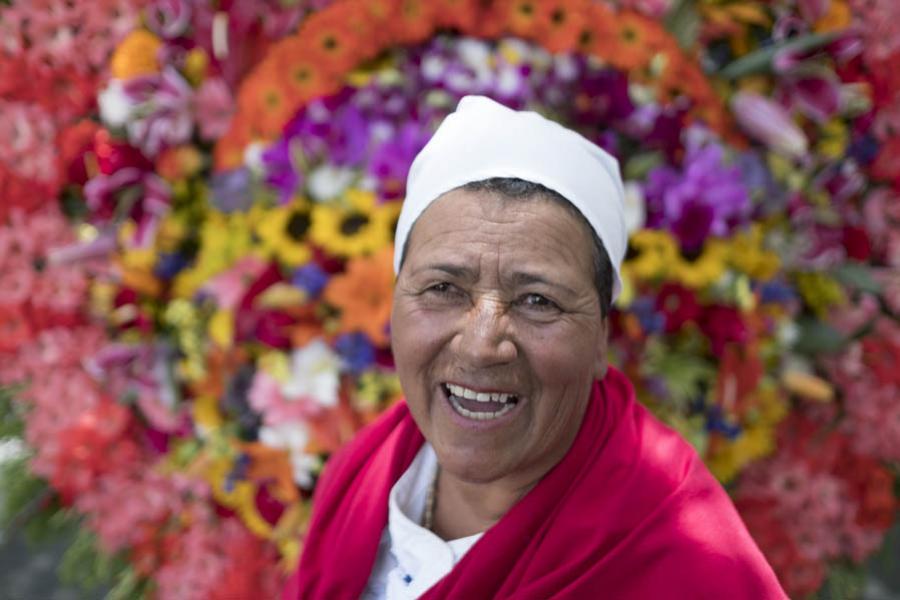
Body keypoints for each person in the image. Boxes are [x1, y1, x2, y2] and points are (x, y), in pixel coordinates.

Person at [285, 96, 787, 599]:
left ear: (601, 339)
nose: (482, 346)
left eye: (537, 301)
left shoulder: (685, 559)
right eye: (443, 289)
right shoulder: (367, 475)